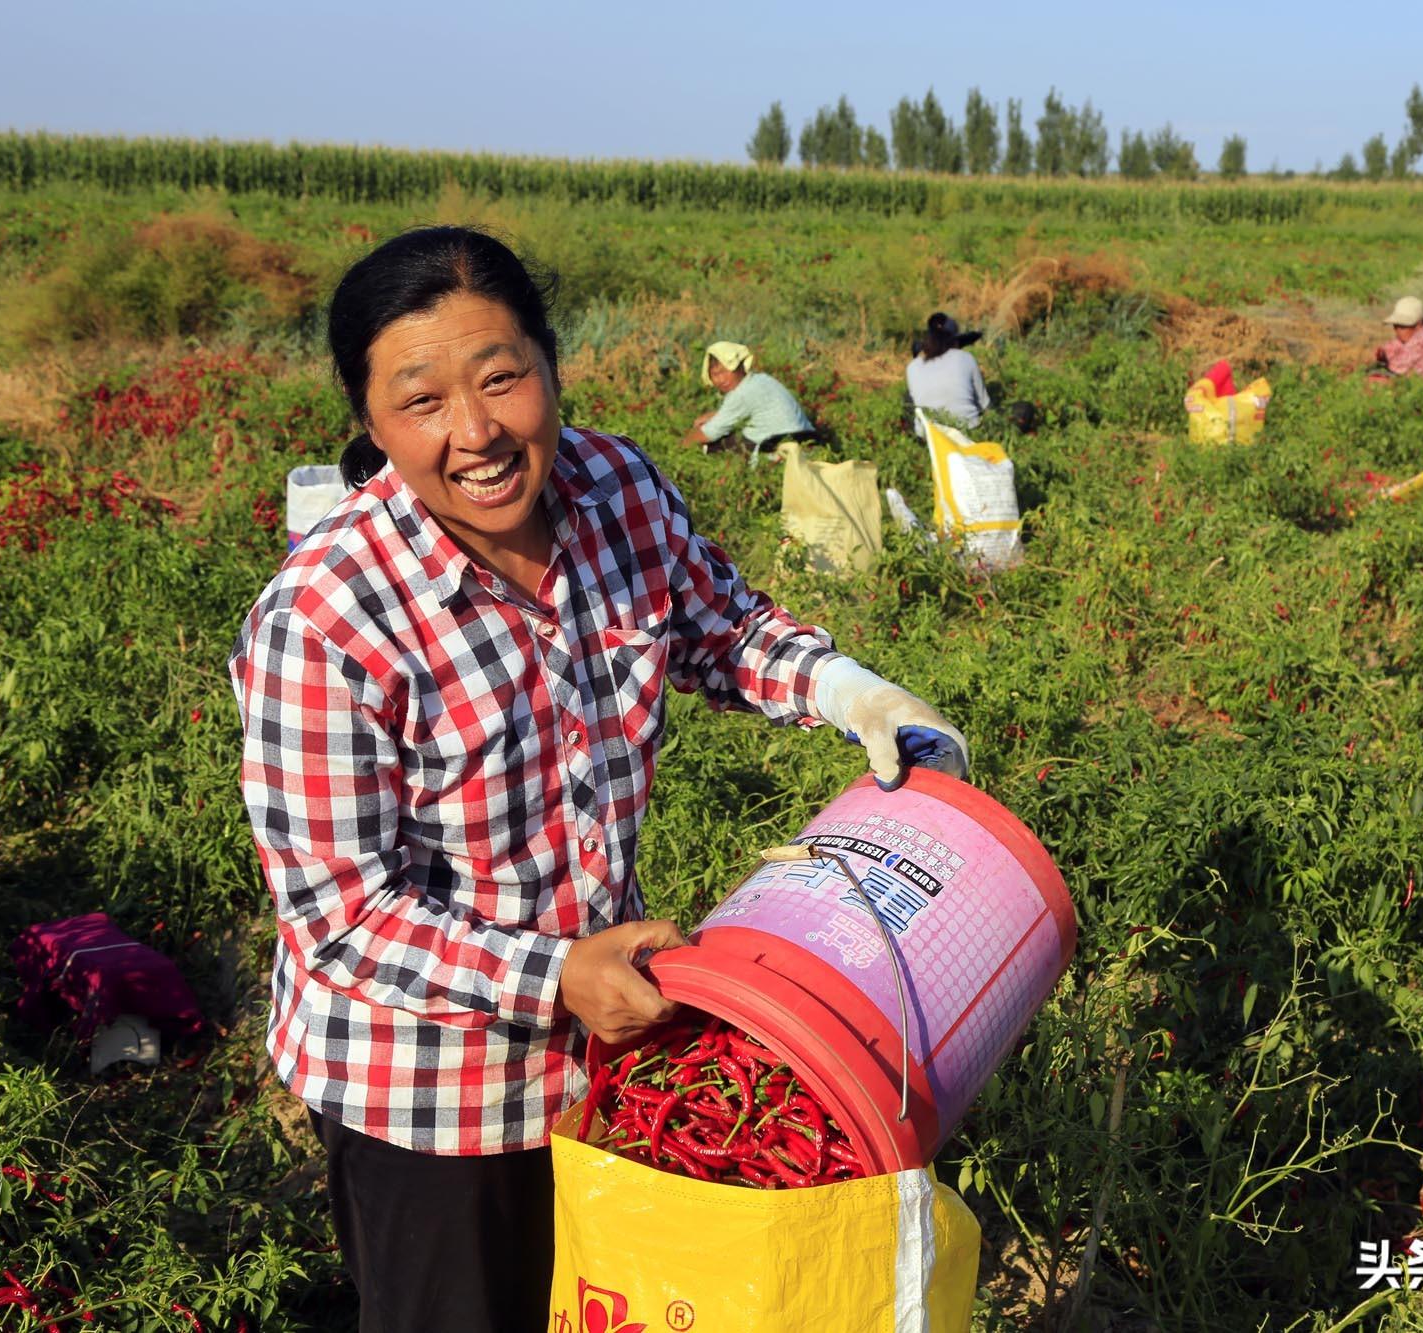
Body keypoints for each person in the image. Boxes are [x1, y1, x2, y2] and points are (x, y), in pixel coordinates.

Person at [228, 227, 969, 1333]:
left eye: (501, 378)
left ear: (550, 366)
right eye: (421, 401)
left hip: (598, 1057)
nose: (475, 433)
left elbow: (726, 629)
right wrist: (553, 973)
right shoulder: (325, 619)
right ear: (372, 422)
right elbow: (342, 918)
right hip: (422, 1090)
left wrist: (851, 690)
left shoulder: (613, 485)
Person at [679, 340, 816, 453]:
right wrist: (714, 415)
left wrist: (682, 444)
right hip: (806, 440)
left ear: (739, 367)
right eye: (715, 375)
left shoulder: (742, 393)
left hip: (778, 445)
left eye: (725, 371)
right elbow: (738, 412)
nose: (721, 379)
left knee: (714, 446)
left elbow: (710, 433)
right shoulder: (760, 380)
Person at [906, 312, 990, 437]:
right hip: (968, 432)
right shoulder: (965, 358)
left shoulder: (912, 367)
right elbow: (985, 405)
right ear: (955, 342)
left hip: (929, 437)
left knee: (907, 399)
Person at [1370, 296, 1423, 388]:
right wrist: (1383, 352)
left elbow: (1397, 366)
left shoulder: (1421, 340)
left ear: (1418, 325)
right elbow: (1394, 346)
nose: (1397, 330)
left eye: (1402, 327)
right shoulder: (1422, 333)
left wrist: (1385, 359)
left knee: (1375, 381)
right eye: (1395, 326)